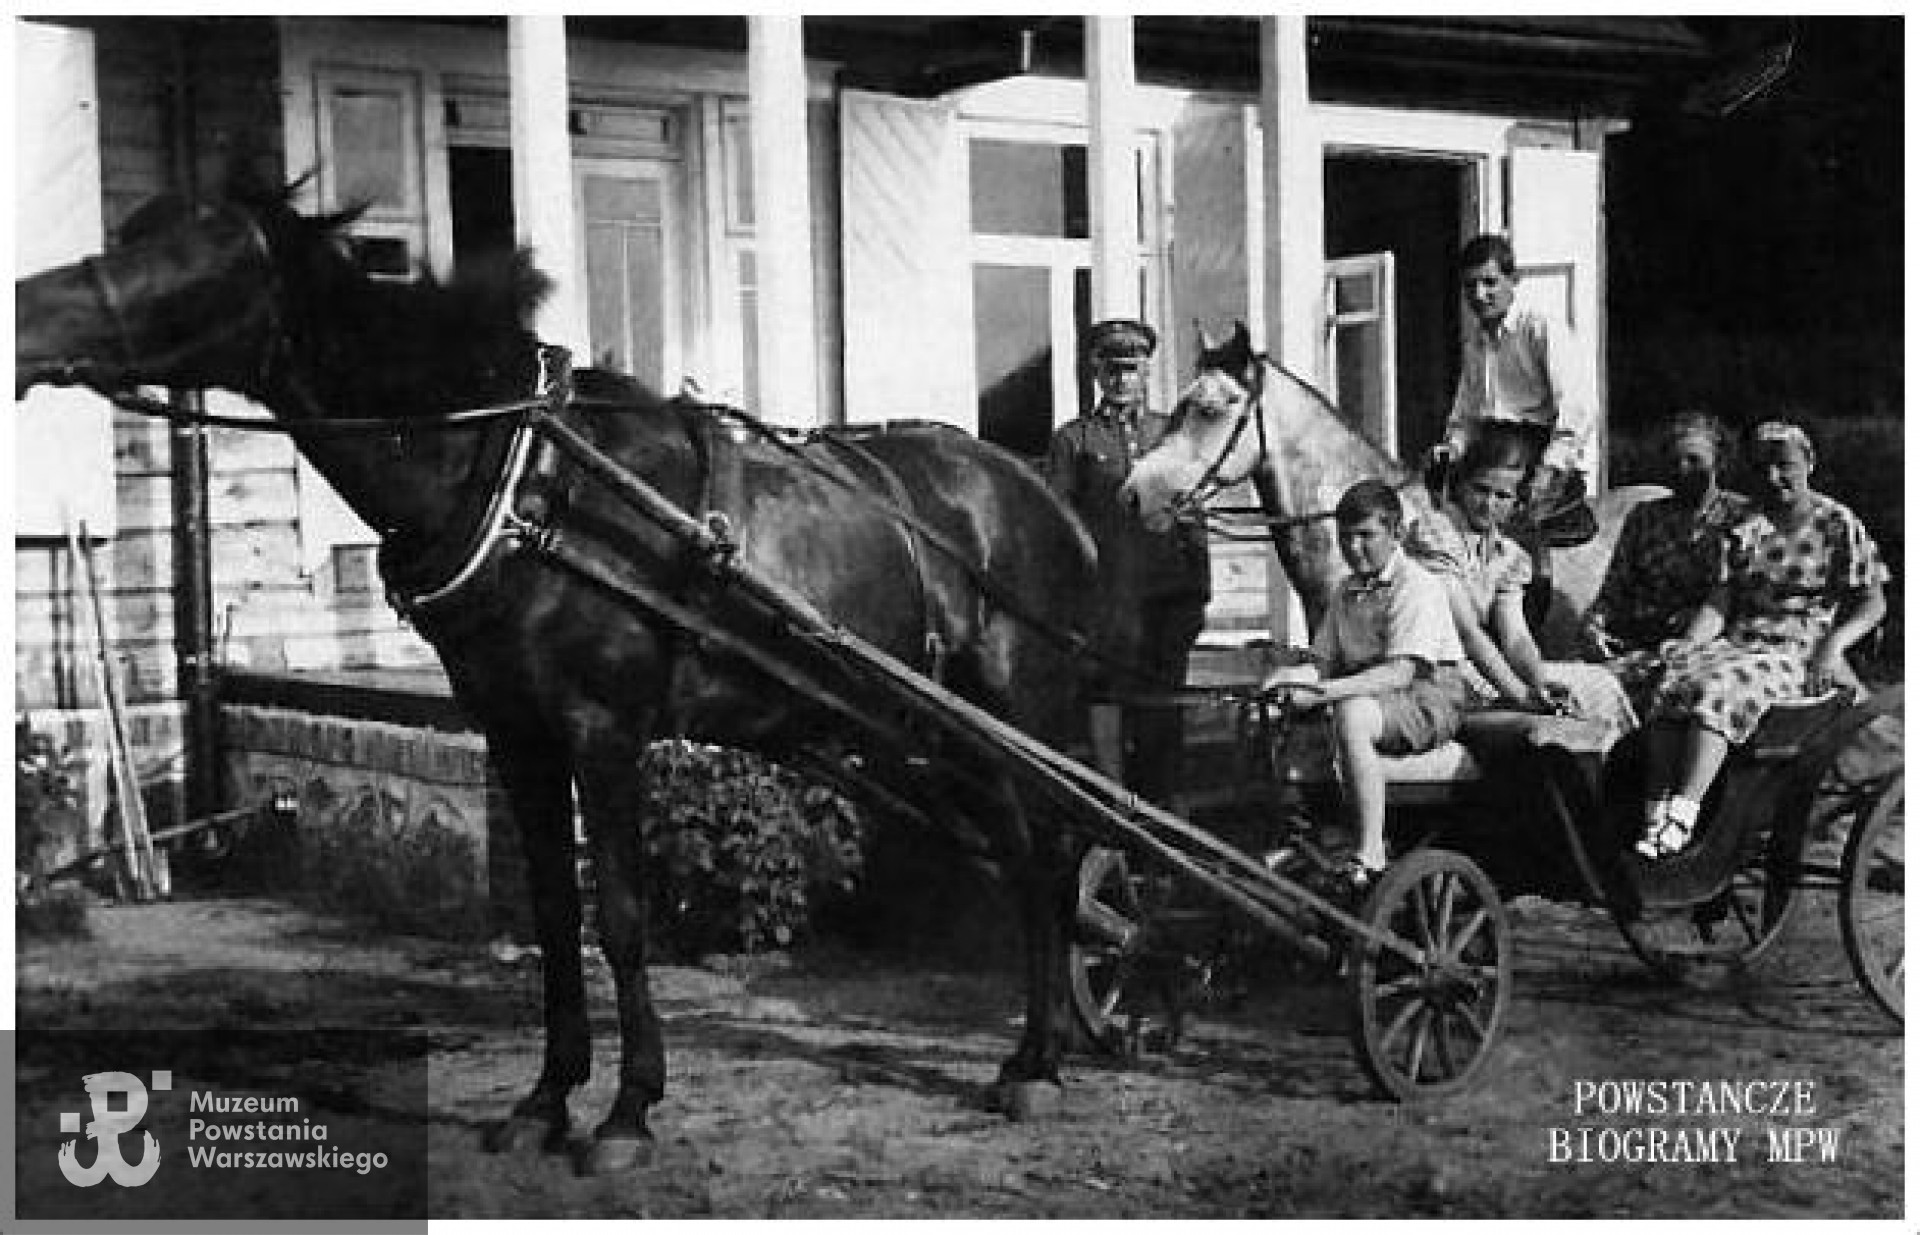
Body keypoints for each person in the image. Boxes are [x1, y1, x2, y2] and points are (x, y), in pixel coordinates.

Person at [1635, 421, 1888, 859]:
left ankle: (1685, 811)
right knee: (1671, 679)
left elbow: (1872, 603)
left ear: (1809, 463)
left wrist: (1832, 647)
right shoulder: (1744, 523)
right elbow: (1721, 599)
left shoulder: (1836, 523)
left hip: (1797, 650)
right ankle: (1653, 809)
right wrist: (1692, 643)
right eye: (1763, 468)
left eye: (1785, 466)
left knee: (1719, 690)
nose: (1774, 478)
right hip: (1739, 642)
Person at [1262, 480, 1468, 883]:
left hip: (1427, 698)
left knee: (1351, 715)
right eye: (1345, 538)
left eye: (1366, 536)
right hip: (1375, 695)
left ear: (1397, 534)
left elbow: (1401, 673)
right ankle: (1305, 832)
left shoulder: (1417, 587)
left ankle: (1371, 848)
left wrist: (1320, 693)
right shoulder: (1346, 591)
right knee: (1268, 712)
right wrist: (1289, 680)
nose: (1353, 548)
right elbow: (1322, 663)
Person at [1044, 317, 1211, 803]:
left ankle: (1165, 813)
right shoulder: (1074, 441)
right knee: (1108, 704)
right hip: (1106, 602)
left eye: (1131, 370)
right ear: (1096, 373)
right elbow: (1059, 526)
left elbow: (1192, 516)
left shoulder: (1171, 434)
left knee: (1163, 708)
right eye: (1112, 370)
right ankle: (1117, 807)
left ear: (1146, 373)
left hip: (1166, 600)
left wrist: (1199, 594)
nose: (1121, 381)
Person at [1407, 425, 1636, 733]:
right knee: (1549, 724)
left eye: (1502, 496)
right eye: (1480, 489)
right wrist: (1522, 695)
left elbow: (1515, 638)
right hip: (1437, 673)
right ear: (1460, 486)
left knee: (1600, 685)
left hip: (1482, 670)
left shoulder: (1509, 556)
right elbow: (1467, 633)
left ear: (1517, 502)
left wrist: (1540, 683)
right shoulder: (1435, 534)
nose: (1488, 504)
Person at [1430, 234, 1599, 622]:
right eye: (1471, 285)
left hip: (1537, 450)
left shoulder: (1538, 326)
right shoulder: (1475, 342)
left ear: (1513, 281)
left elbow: (1577, 404)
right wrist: (1451, 448)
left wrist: (1551, 468)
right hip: (1490, 450)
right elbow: (1466, 414)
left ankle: (1528, 627)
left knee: (1516, 538)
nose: (1480, 294)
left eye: (1490, 282)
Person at [1579, 411, 1751, 704]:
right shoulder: (1644, 517)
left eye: (1694, 460)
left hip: (1707, 646)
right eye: (1674, 461)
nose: (1682, 469)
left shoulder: (1742, 517)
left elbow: (1747, 598)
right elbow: (1615, 587)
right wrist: (1594, 624)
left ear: (1718, 461)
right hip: (1640, 640)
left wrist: (1692, 637)